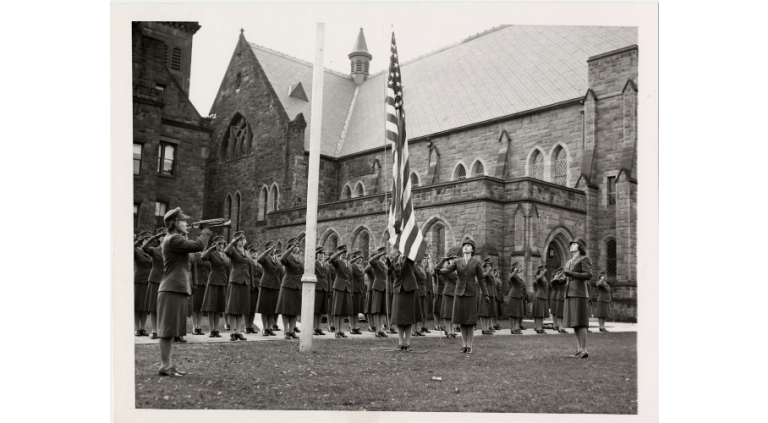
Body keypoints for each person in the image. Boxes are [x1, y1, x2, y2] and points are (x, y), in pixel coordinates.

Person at [156, 208, 212, 376]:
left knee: (171, 329)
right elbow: (198, 245)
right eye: (183, 221)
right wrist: (206, 230)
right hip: (171, 288)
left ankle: (168, 365)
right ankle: (165, 366)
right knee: (167, 329)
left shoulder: (175, 239)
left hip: (176, 288)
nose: (187, 224)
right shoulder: (173, 239)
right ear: (174, 223)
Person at [436, 237, 489, 354]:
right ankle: (464, 345)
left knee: (469, 322)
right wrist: (440, 271)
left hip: (470, 294)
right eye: (464, 245)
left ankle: (470, 345)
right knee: (461, 321)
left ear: (473, 249)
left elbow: (481, 279)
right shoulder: (457, 261)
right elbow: (448, 269)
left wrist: (486, 294)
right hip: (459, 293)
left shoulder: (476, 262)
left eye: (468, 245)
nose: (465, 247)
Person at [555, 237, 594, 358]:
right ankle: (579, 349)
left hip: (579, 293)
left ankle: (584, 349)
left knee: (581, 322)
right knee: (575, 322)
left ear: (580, 246)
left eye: (574, 244)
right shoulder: (569, 261)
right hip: (569, 292)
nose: (571, 245)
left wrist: (571, 274)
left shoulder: (584, 259)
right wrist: (558, 281)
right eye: (570, 244)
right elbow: (567, 278)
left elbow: (588, 275)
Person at [390, 252, 422, 351]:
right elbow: (396, 272)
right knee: (399, 319)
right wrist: (389, 263)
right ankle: (400, 343)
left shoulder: (410, 257)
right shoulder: (395, 258)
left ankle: (407, 343)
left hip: (409, 289)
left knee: (408, 318)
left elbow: (412, 260)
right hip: (399, 289)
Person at [201, 236, 229, 337]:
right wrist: (211, 248)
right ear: (215, 244)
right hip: (213, 282)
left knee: (219, 307)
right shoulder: (212, 253)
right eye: (219, 244)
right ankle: (211, 329)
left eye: (222, 244)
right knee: (211, 306)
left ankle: (216, 329)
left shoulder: (226, 255)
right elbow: (203, 257)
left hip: (223, 282)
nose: (221, 246)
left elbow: (228, 269)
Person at [142, 228, 167, 339]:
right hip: (155, 280)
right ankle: (154, 330)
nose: (164, 237)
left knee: (165, 307)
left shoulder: (171, 250)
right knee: (153, 306)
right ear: (159, 238)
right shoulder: (154, 250)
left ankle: (163, 329)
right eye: (162, 235)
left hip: (167, 281)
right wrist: (154, 237)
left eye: (166, 235)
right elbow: (144, 247)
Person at [277, 238, 303, 340]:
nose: (296, 248)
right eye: (294, 246)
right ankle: (286, 330)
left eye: (297, 246)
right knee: (286, 309)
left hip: (297, 286)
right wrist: (290, 250)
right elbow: (282, 259)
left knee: (294, 310)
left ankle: (292, 330)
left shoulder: (300, 258)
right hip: (288, 285)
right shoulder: (288, 256)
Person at [256, 242, 280, 337]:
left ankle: (269, 327)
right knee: (265, 308)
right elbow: (259, 259)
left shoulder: (277, 259)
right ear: (266, 249)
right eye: (270, 248)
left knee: (272, 309)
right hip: (266, 285)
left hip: (275, 285)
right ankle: (264, 328)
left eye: (273, 248)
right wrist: (267, 251)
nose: (272, 250)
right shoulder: (265, 258)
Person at [329, 245, 353, 338]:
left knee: (343, 310)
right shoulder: (338, 262)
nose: (345, 254)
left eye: (346, 252)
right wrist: (339, 252)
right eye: (343, 252)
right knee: (337, 309)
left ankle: (341, 330)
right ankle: (337, 330)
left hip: (347, 288)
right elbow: (332, 258)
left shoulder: (349, 264)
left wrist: (350, 288)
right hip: (339, 287)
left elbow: (351, 278)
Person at [134, 232, 153, 336]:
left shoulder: (150, 252)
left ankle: (143, 327)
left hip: (148, 281)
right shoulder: (136, 250)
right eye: (146, 239)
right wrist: (138, 242)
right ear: (142, 240)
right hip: (139, 280)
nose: (149, 241)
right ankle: (137, 328)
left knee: (145, 306)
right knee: (137, 306)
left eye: (150, 239)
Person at [367, 247, 389, 338]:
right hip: (377, 287)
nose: (384, 256)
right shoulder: (376, 263)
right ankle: (377, 331)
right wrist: (379, 254)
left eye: (385, 254)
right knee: (377, 309)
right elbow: (371, 260)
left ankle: (381, 329)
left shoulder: (384, 264)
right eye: (383, 254)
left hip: (384, 287)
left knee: (382, 310)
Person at [436, 252, 458, 338]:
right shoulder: (447, 268)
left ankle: (452, 330)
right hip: (448, 292)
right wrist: (443, 260)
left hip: (454, 293)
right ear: (449, 260)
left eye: (455, 258)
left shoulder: (457, 269)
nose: (454, 260)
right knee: (447, 313)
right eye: (452, 259)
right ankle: (447, 330)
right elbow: (436, 269)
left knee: (452, 313)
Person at [190, 249, 210, 335]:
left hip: (205, 282)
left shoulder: (208, 255)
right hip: (196, 282)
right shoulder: (194, 255)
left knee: (202, 306)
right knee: (195, 306)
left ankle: (199, 326)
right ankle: (194, 327)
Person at [245, 244, 262, 334]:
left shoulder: (259, 263)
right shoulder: (248, 261)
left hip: (257, 287)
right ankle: (246, 326)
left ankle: (251, 326)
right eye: (252, 252)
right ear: (249, 253)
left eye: (256, 252)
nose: (254, 254)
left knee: (253, 308)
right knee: (247, 307)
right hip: (249, 286)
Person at [411, 253, 430, 337]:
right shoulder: (415, 268)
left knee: (422, 311)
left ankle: (418, 329)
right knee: (416, 311)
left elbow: (425, 279)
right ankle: (413, 330)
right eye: (423, 259)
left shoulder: (422, 268)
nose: (424, 260)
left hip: (423, 292)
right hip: (417, 291)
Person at [505, 262, 526, 335]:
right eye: (516, 268)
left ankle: (515, 328)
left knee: (517, 313)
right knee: (512, 313)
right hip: (513, 295)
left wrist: (518, 272)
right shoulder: (512, 276)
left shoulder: (518, 277)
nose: (518, 269)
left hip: (519, 296)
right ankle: (512, 328)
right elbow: (511, 277)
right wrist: (516, 271)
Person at [312, 247, 329, 336]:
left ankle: (319, 327)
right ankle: (314, 328)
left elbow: (327, 277)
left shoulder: (326, 264)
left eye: (323, 254)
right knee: (316, 309)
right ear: (316, 255)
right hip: (317, 287)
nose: (321, 255)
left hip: (324, 287)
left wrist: (328, 289)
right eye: (319, 253)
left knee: (322, 309)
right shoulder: (314, 263)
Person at [348, 251, 366, 335]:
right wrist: (353, 259)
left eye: (361, 258)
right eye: (358, 258)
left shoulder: (361, 267)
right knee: (352, 310)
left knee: (357, 310)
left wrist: (363, 290)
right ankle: (351, 326)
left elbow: (362, 280)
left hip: (360, 290)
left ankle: (355, 326)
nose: (360, 260)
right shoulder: (352, 266)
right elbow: (348, 264)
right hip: (353, 289)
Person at [478, 258, 494, 335]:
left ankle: (487, 328)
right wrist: (489, 270)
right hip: (484, 293)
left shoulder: (490, 272)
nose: (490, 265)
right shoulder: (482, 270)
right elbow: (483, 276)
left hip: (490, 293)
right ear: (486, 264)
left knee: (488, 313)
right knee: (483, 312)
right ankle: (484, 328)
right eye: (489, 263)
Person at [532, 265, 549, 334]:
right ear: (539, 271)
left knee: (542, 314)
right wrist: (542, 273)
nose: (543, 271)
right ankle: (538, 328)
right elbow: (538, 279)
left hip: (543, 296)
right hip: (539, 296)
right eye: (542, 270)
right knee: (539, 313)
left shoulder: (544, 277)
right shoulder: (537, 277)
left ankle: (539, 327)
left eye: (543, 270)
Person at [551, 265, 567, 334]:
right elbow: (553, 281)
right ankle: (559, 327)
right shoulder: (559, 280)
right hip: (560, 297)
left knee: (562, 313)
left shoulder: (564, 279)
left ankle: (562, 326)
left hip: (564, 297)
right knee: (559, 313)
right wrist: (559, 274)